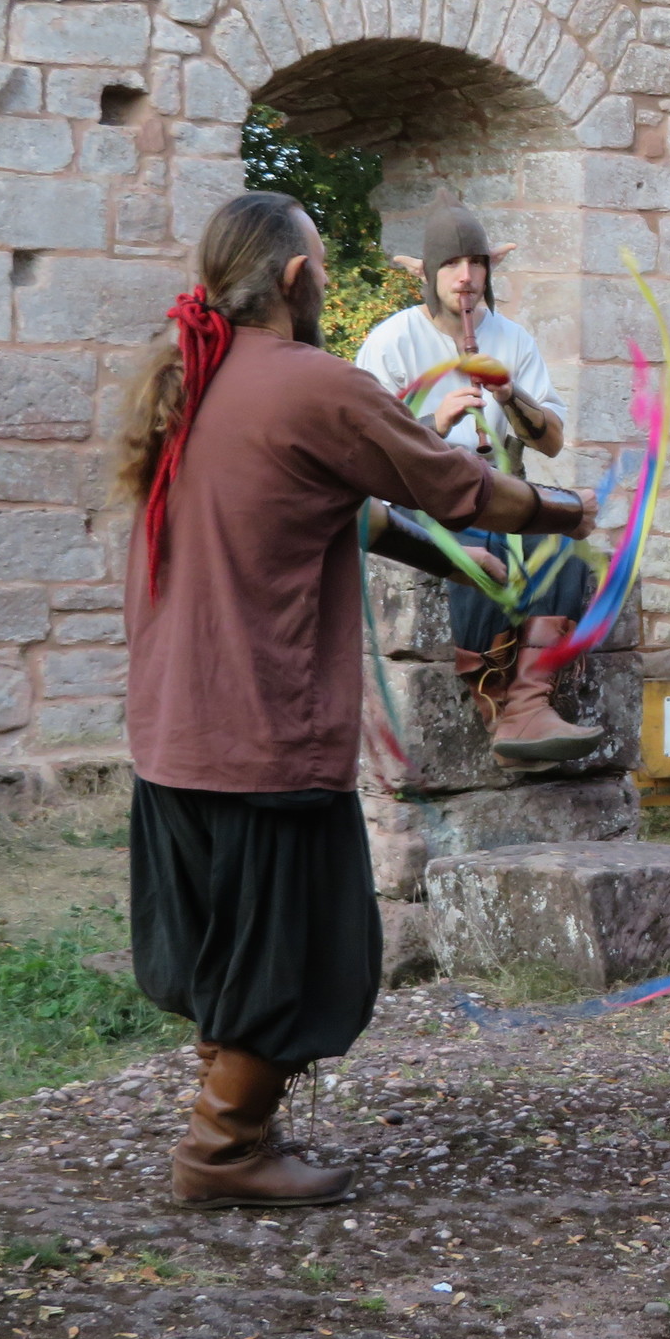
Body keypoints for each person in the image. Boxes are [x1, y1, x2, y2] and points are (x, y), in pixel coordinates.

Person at [118, 191, 596, 1210]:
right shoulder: (313, 382)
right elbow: (460, 485)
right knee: (294, 951)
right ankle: (221, 1149)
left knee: (231, 949)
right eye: (323, 268)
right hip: (264, 731)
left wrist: (454, 563)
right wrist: (564, 512)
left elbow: (353, 515)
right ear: (295, 277)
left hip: (173, 729)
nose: (327, 284)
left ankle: (239, 1124)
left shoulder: (191, 379)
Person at [354, 205, 604, 768]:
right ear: (426, 272)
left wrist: (510, 395)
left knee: (560, 543)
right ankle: (494, 701)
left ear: (490, 271)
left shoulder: (511, 339)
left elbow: (552, 442)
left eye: (476, 263)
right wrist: (434, 423)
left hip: (498, 491)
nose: (465, 277)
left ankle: (530, 704)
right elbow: (363, 452)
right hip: (418, 498)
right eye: (450, 264)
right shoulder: (392, 341)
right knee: (477, 546)